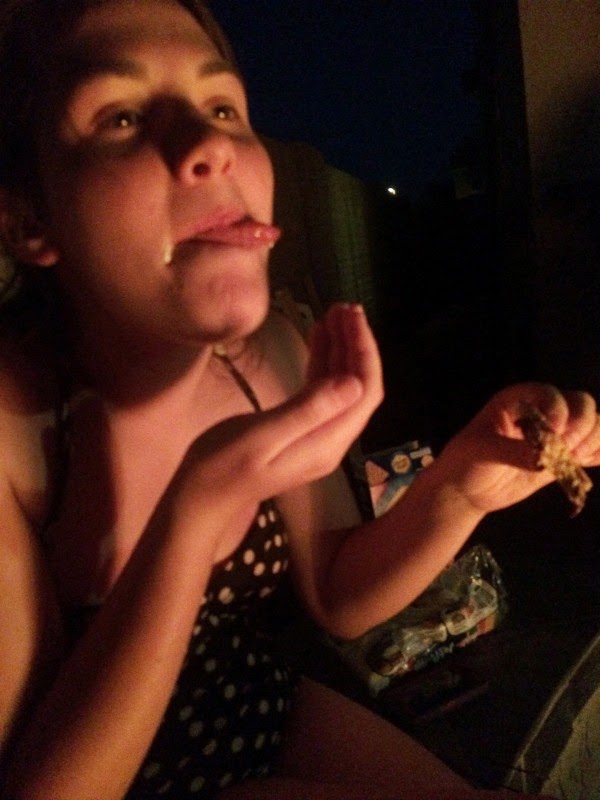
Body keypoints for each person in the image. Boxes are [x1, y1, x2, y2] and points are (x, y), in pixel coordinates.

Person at [0, 1, 596, 798]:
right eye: (122, 117)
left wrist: (462, 485)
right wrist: (199, 504)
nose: (212, 143)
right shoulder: (16, 423)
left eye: (223, 108)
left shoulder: (270, 355)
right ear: (29, 219)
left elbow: (339, 595)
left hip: (252, 700)